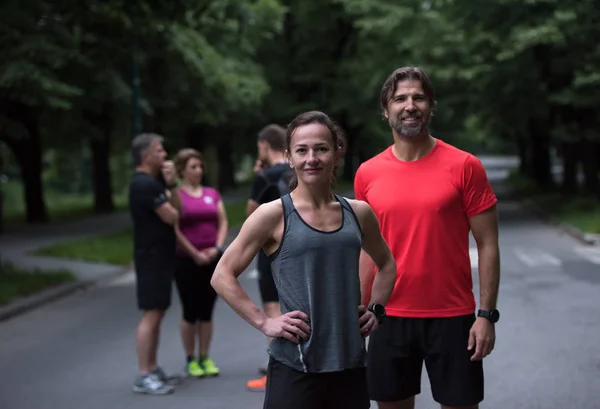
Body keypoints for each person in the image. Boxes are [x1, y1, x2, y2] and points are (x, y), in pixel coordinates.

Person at [211, 111, 397, 409]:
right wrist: (264, 323)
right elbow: (221, 275)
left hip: (350, 365)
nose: (312, 158)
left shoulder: (358, 213)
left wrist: (376, 309)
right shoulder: (272, 215)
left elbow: (387, 265)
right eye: (302, 150)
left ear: (337, 153)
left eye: (321, 149)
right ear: (289, 156)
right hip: (295, 366)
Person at [354, 66, 501, 409]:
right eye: (400, 98)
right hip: (386, 315)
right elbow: (367, 251)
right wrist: (358, 313)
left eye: (418, 97)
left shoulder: (465, 166)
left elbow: (488, 244)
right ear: (385, 109)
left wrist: (486, 315)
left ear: (431, 106)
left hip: (453, 318)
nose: (410, 105)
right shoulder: (367, 173)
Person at [128, 133, 182, 395]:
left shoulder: (154, 182)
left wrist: (171, 184)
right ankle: (144, 374)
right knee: (151, 314)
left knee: (158, 312)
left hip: (159, 257)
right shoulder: (143, 185)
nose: (164, 155)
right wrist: (169, 186)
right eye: (159, 151)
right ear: (146, 155)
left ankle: (153, 367)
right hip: (151, 259)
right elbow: (172, 216)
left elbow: (177, 209)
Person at [173, 148, 229, 378]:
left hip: (211, 259)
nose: (198, 171)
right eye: (192, 167)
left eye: (200, 166)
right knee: (190, 310)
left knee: (206, 310)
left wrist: (216, 248)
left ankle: (205, 356)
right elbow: (174, 226)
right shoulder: (176, 195)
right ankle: (190, 358)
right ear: (182, 170)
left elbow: (223, 221)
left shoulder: (212, 193)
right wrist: (193, 252)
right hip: (186, 260)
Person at [245, 124, 293, 391]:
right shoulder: (299, 170)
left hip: (272, 250)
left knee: (274, 312)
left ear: (265, 145)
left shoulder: (266, 177)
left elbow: (252, 216)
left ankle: (277, 373)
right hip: (301, 246)